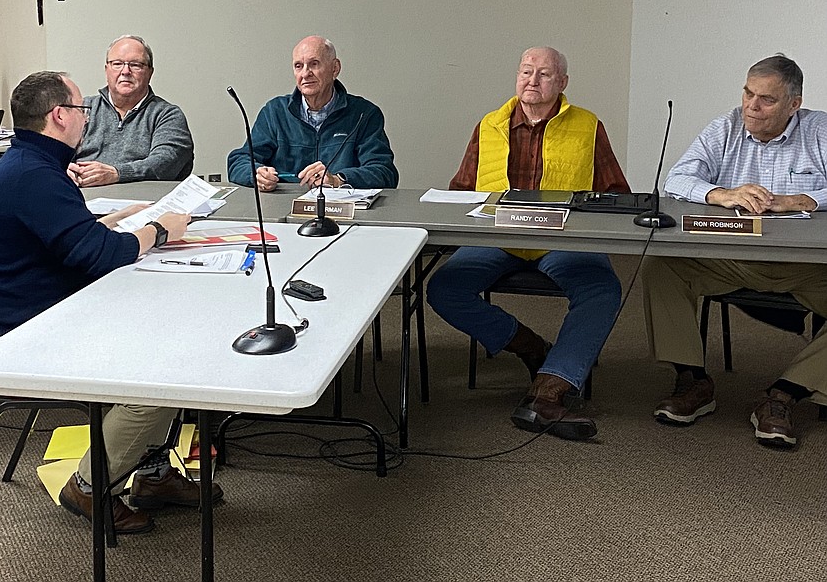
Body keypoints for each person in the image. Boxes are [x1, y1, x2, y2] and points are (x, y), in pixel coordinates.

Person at [0, 70, 219, 534]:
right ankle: (86, 486)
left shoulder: (35, 164)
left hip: (52, 313)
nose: (88, 118)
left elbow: (69, 240)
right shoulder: (33, 175)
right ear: (59, 115)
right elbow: (103, 257)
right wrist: (163, 229)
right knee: (162, 380)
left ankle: (150, 476)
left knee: (176, 345)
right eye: (82, 109)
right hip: (22, 335)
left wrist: (125, 217)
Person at [426, 47, 630, 441]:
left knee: (603, 289)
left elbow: (613, 191)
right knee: (444, 288)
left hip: (562, 240)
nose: (532, 81)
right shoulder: (490, 124)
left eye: (544, 74)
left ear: (563, 83)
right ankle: (531, 347)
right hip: (498, 239)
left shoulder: (588, 125)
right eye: (526, 72)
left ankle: (550, 388)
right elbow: (462, 189)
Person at [643, 54, 827, 448]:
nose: (751, 106)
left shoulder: (819, 130)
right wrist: (720, 193)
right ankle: (693, 381)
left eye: (766, 99)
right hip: (732, 262)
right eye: (747, 93)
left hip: (807, 267)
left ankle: (783, 396)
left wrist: (803, 199)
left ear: (794, 105)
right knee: (663, 269)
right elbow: (677, 178)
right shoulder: (725, 126)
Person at [226, 36, 399, 191]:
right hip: (284, 213)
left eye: (314, 64)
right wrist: (257, 174)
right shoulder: (275, 112)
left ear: (335, 68)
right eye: (298, 66)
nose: (305, 74)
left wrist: (339, 180)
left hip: (344, 214)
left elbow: (384, 172)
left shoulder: (364, 114)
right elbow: (239, 161)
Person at [69, 35, 194, 187]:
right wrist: (64, 169)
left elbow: (165, 163)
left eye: (135, 65)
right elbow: (52, 153)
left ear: (150, 72)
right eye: (117, 63)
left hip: (144, 202)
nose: (125, 71)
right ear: (106, 70)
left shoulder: (167, 115)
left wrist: (117, 173)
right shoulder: (82, 108)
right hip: (82, 198)